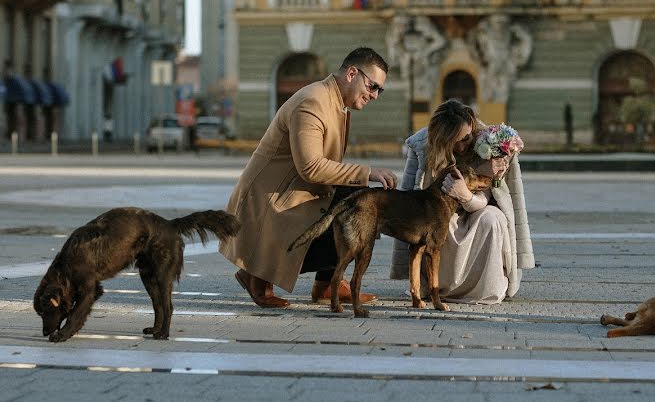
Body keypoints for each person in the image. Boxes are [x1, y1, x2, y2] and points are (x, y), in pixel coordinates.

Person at [220, 48, 398, 308]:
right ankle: (256, 274)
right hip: (273, 203)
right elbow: (311, 168)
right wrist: (367, 172)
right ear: (351, 73)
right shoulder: (313, 102)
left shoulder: (335, 100)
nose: (374, 95)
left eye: (379, 90)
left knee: (361, 203)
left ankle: (327, 284)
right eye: (372, 86)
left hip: (298, 193)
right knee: (356, 208)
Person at [389, 99, 535, 304]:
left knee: (493, 218)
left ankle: (483, 289)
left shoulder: (486, 143)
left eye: (466, 138)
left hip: (477, 211)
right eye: (456, 141)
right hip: (440, 213)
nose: (463, 146)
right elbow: (412, 197)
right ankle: (437, 287)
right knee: (439, 224)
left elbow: (488, 199)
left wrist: (465, 195)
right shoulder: (422, 146)